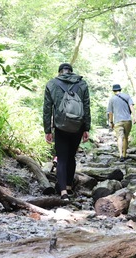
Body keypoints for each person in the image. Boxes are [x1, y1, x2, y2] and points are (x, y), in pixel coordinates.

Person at [43, 63, 91, 200]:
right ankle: (69, 186)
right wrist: (86, 128)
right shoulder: (82, 84)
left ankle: (63, 191)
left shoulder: (51, 84)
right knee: (71, 156)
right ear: (71, 72)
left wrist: (47, 129)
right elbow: (86, 107)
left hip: (60, 126)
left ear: (60, 72)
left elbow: (47, 109)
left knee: (62, 158)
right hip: (78, 125)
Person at [107, 84, 136, 162]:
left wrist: (111, 122)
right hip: (127, 120)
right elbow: (132, 107)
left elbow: (110, 112)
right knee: (126, 137)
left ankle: (120, 155)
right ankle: (124, 154)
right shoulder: (127, 96)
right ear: (120, 89)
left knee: (120, 137)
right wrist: (134, 117)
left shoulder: (112, 99)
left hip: (118, 121)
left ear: (113, 91)